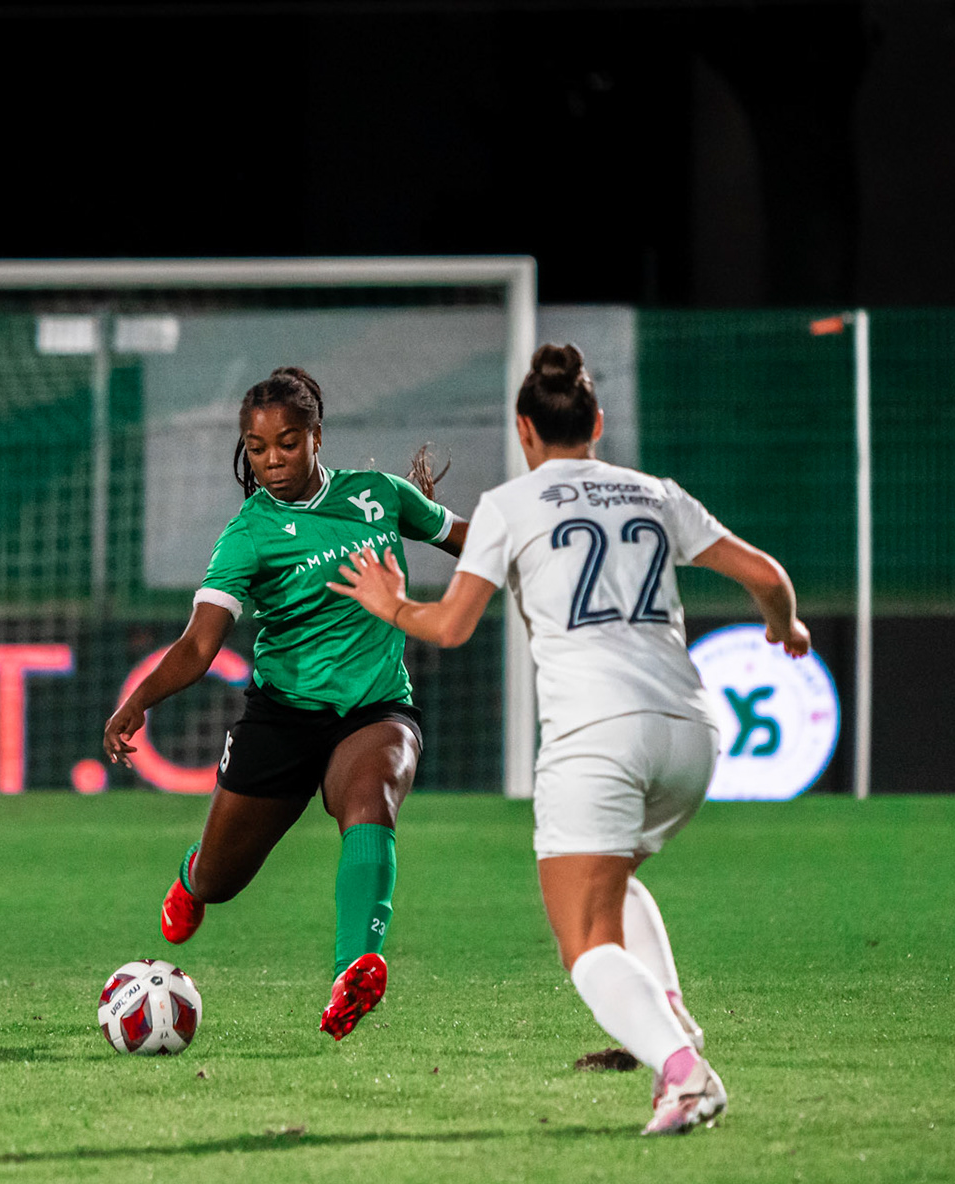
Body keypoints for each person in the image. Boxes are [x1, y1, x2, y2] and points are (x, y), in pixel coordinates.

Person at [329, 343, 811, 1135]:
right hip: (691, 733)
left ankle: (686, 1075)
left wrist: (390, 604)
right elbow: (766, 574)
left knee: (583, 943)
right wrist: (783, 626)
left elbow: (449, 627)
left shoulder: (512, 506)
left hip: (597, 735)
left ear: (525, 430)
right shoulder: (654, 492)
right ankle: (674, 1029)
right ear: (596, 421)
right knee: (615, 877)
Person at [103, 367, 468, 1040]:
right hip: (282, 718)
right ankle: (190, 877)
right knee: (220, 881)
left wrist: (539, 547)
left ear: (317, 437)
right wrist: (139, 699)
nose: (272, 460)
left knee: (373, 797)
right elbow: (199, 644)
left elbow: (470, 542)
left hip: (376, 708)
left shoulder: (380, 496)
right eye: (258, 447)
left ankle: (354, 967)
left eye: (288, 443)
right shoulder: (249, 535)